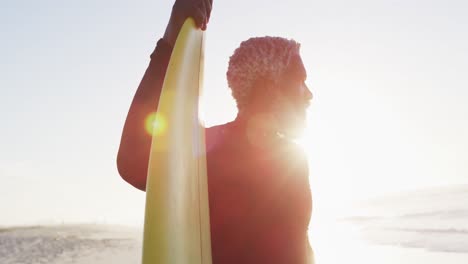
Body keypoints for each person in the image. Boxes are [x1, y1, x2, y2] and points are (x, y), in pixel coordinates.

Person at [117, 0, 314, 263]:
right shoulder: (212, 151)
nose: (309, 94)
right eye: (299, 81)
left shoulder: (294, 159)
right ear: (269, 89)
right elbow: (133, 160)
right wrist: (169, 43)